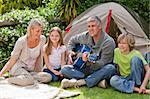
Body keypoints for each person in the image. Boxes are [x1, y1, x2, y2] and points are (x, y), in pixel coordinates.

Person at [60, 16, 116, 88]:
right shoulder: (85, 36)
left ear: (100, 27)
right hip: (84, 69)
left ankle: (81, 82)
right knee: (64, 69)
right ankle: (96, 81)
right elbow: (72, 40)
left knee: (110, 68)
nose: (90, 29)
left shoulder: (108, 42)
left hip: (99, 69)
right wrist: (70, 51)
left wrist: (89, 62)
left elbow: (103, 64)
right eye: (89, 26)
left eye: (93, 26)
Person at [0, 19, 51, 86]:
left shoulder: (42, 39)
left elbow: (41, 57)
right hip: (18, 68)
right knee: (29, 80)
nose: (39, 34)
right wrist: (1, 73)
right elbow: (12, 60)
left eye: (41, 31)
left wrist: (39, 71)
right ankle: (8, 80)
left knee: (47, 77)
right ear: (31, 30)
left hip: (31, 71)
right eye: (37, 31)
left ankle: (26, 79)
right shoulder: (21, 41)